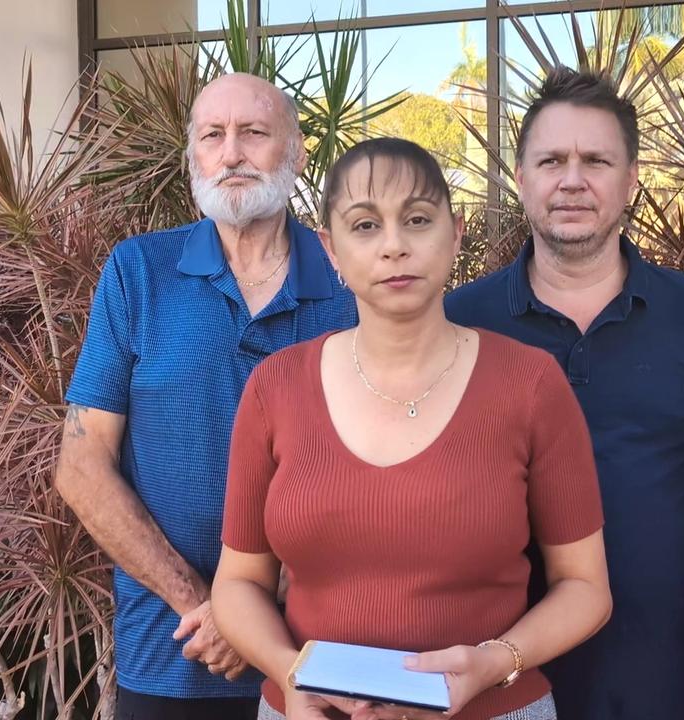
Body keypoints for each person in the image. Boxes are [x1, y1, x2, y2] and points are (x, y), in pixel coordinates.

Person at [210, 137, 613, 720]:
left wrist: (494, 663)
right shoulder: (276, 387)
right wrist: (288, 671)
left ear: (454, 234)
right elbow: (238, 583)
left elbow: (586, 587)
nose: (395, 246)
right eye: (366, 226)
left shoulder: (529, 384)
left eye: (418, 220)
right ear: (331, 250)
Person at [446, 68, 684, 719]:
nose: (573, 180)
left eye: (597, 160)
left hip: (659, 681)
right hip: (487, 683)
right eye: (551, 160)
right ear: (522, 178)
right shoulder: (455, 323)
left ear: (631, 179)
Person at [55, 73, 356, 720]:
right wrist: (204, 605)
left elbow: (375, 475)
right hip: (175, 652)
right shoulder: (138, 273)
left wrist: (244, 610)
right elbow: (80, 466)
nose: (232, 153)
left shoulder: (348, 284)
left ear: (297, 152)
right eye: (212, 135)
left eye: (254, 132)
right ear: (192, 154)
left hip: (324, 653)